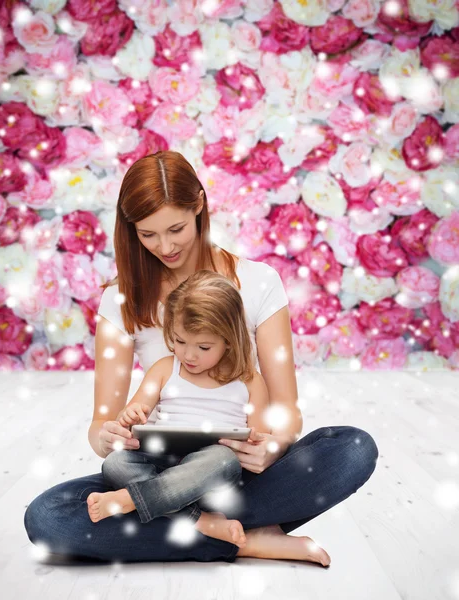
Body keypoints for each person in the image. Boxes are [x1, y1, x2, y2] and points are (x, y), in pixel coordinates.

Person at [24, 150, 379, 565]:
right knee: (47, 518)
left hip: (235, 470)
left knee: (352, 448)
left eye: (175, 228)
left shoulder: (258, 282)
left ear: (199, 206)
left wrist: (272, 445)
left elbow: (285, 411)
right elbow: (101, 425)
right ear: (130, 230)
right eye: (148, 234)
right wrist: (108, 435)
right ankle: (238, 536)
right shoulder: (119, 300)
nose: (166, 246)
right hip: (151, 469)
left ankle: (182, 525)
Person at [88, 270, 275, 555]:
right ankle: (199, 521)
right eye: (178, 341)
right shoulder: (165, 369)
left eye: (203, 346)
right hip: (162, 463)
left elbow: (260, 438)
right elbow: (132, 415)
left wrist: (256, 443)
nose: (188, 355)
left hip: (210, 474)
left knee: (223, 460)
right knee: (115, 464)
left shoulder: (249, 381)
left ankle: (130, 500)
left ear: (229, 340)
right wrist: (132, 415)